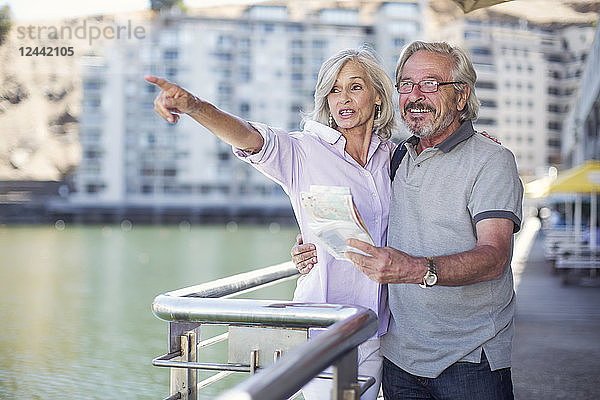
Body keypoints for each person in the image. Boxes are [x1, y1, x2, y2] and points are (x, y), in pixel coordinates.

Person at [145, 47, 397, 400]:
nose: (343, 98)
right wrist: (194, 107)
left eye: (355, 87)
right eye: (334, 89)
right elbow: (249, 136)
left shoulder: (394, 157)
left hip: (374, 332)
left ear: (378, 97)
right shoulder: (304, 150)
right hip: (319, 331)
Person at [292, 41, 523, 399]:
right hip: (399, 362)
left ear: (461, 97)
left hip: (469, 362)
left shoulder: (492, 160)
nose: (415, 96)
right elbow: (367, 210)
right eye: (406, 84)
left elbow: (495, 257)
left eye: (431, 84)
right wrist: (309, 243)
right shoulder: (394, 157)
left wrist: (414, 269)